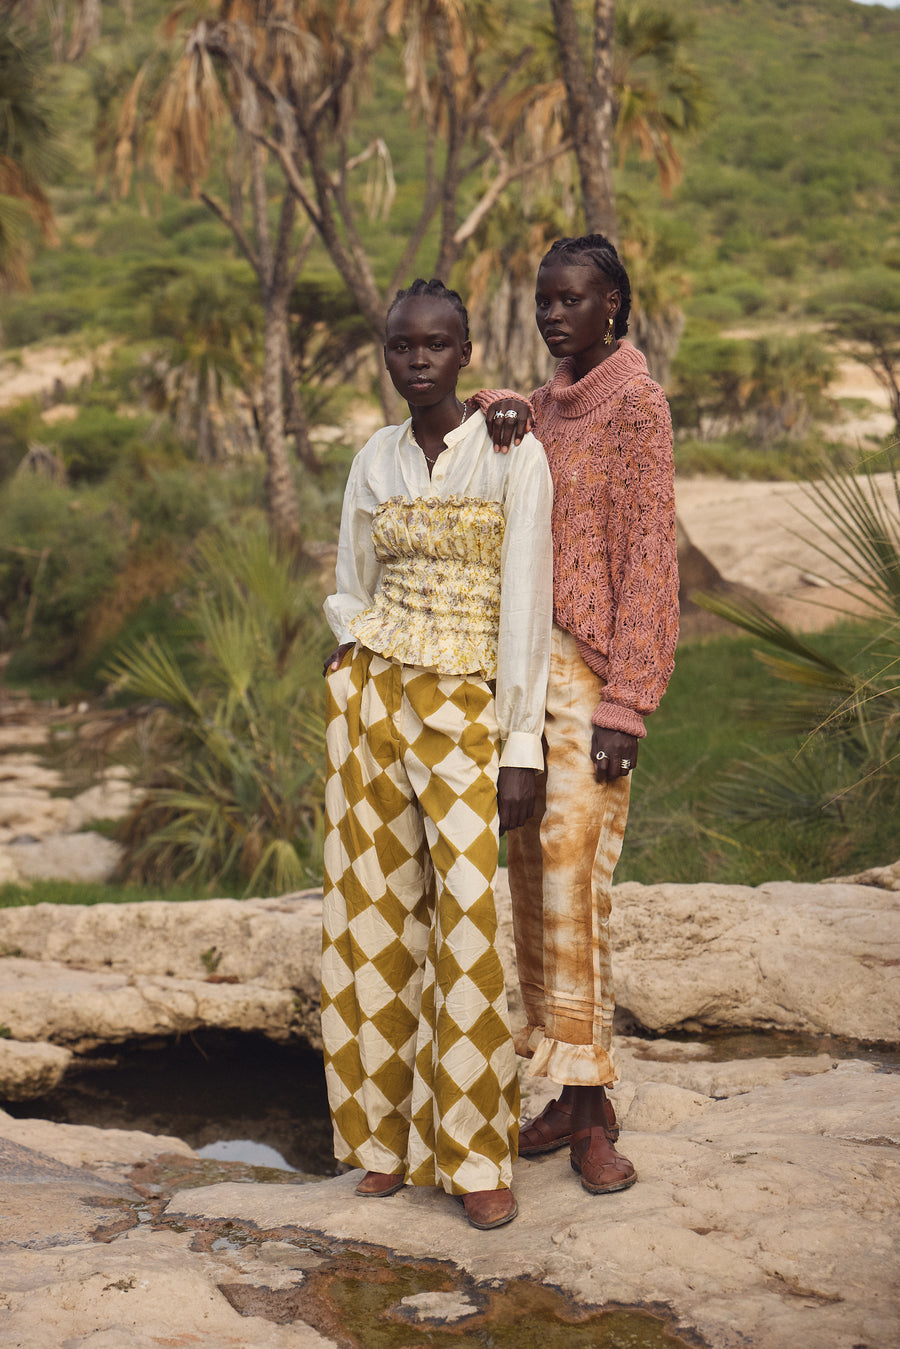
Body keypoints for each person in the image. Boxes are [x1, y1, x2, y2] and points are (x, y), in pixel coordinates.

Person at [321, 278, 553, 1230]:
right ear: (386, 355)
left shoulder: (510, 450)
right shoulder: (373, 458)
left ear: (465, 352)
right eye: (400, 346)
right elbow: (350, 578)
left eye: (435, 344)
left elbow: (526, 602)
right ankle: (379, 1142)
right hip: (373, 698)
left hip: (467, 710)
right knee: (369, 919)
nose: (416, 359)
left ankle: (472, 1154)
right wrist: (350, 641)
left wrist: (523, 744)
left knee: (467, 921)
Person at [472, 233, 679, 1195]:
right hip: (523, 677)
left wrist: (627, 703)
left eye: (574, 299)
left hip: (592, 681)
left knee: (577, 888)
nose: (555, 312)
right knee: (529, 881)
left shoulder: (636, 405)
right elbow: (498, 424)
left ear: (615, 307)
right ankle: (564, 1089)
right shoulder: (549, 406)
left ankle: (595, 1114)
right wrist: (492, 406)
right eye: (545, 297)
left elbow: (650, 561)